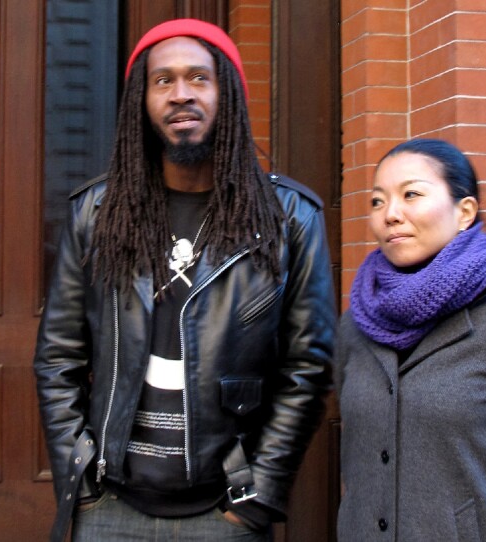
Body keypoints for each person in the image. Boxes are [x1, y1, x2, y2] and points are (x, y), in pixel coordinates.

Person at [33, 18, 336, 542]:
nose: (180, 94)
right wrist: (80, 482)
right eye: (163, 80)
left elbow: (307, 368)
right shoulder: (96, 214)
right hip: (110, 504)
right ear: (141, 101)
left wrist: (259, 494)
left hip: (225, 509)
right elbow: (58, 357)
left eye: (199, 78)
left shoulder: (288, 218)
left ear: (228, 94)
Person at [334, 138, 486, 542]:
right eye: (378, 201)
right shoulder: (355, 327)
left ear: (464, 212)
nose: (390, 215)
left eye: (411, 194)